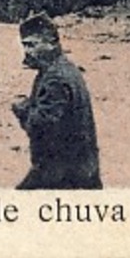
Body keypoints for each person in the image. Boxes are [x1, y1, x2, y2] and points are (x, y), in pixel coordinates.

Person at [11, 11, 101, 189]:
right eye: (25, 46)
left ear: (51, 43)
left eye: (33, 45)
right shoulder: (63, 68)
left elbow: (41, 126)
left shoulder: (55, 79)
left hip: (63, 173)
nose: (27, 51)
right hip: (79, 167)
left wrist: (23, 111)